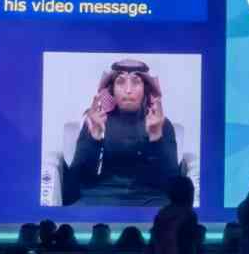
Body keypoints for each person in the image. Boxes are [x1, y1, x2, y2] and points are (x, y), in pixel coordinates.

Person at [64, 59, 180, 206]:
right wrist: (93, 139)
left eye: (136, 82)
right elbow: (74, 186)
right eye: (120, 82)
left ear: (146, 89)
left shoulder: (160, 123)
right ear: (111, 89)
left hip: (149, 200)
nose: (128, 90)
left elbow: (172, 186)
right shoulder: (98, 120)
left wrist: (156, 138)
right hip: (101, 198)